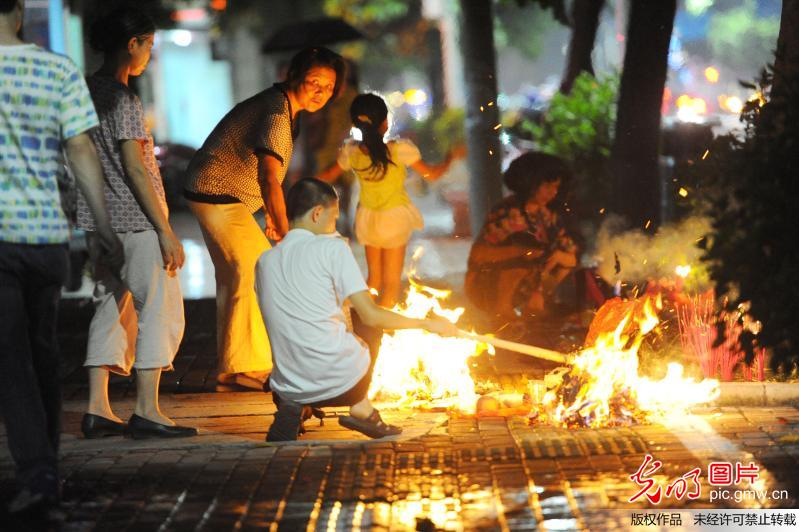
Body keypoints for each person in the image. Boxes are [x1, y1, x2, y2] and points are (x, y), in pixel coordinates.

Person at [0, 0, 124, 514]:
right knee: (43, 352)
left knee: (10, 358)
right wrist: (102, 227)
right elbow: (81, 149)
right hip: (47, 237)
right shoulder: (57, 69)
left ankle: (39, 471)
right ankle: (45, 465)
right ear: (19, 12)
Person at [184, 47, 346, 391]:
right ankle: (245, 367)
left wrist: (274, 215)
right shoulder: (276, 112)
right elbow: (269, 176)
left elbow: (272, 177)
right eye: (315, 82)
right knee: (252, 269)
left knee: (238, 275)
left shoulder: (288, 109)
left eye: (329, 87)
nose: (321, 92)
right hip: (216, 191)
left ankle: (236, 367)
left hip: (223, 195)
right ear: (294, 75)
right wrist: (285, 230)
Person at [255, 179, 458, 442]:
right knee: (370, 321)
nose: (335, 225)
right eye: (333, 217)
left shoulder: (264, 260)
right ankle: (361, 408)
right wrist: (428, 324)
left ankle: (292, 406)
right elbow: (372, 315)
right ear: (318, 213)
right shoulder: (332, 247)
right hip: (343, 386)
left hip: (286, 386)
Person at [76, 7, 195, 440]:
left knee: (109, 306)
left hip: (99, 223)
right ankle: (147, 409)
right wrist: (165, 228)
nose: (149, 54)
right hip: (136, 222)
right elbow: (136, 169)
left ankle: (97, 408)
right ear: (133, 44)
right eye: (149, 45)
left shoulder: (82, 94)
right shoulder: (123, 99)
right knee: (159, 309)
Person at [318, 93, 463, 308]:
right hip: (395, 218)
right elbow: (432, 174)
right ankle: (384, 328)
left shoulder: (352, 151)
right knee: (392, 282)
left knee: (373, 280)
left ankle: (366, 324)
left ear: (356, 123)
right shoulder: (400, 149)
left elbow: (326, 177)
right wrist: (451, 157)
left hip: (367, 219)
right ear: (385, 123)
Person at [465, 152, 578, 320]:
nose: (553, 193)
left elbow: (572, 258)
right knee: (524, 247)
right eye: (548, 186)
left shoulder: (548, 217)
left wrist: (558, 257)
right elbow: (479, 255)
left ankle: (533, 311)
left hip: (532, 287)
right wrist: (522, 252)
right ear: (531, 183)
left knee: (563, 262)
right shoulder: (508, 213)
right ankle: (504, 316)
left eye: (556, 187)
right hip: (487, 286)